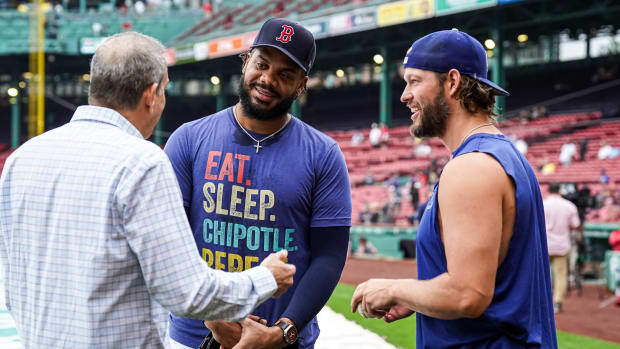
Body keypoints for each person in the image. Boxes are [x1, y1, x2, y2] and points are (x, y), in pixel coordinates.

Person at [0, 32, 296, 348]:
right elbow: (187, 293)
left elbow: (13, 285)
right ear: (151, 94)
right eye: (165, 89)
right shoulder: (142, 162)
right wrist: (265, 278)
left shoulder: (21, 159)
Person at [350, 29, 557, 347]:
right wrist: (420, 298)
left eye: (415, 81)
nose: (404, 95)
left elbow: (467, 295)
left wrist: (393, 289)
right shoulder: (498, 155)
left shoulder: (471, 167)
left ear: (452, 81)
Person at [164, 18, 352, 349]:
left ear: (301, 85)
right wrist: (213, 314)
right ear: (246, 60)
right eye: (262, 64)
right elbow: (168, 242)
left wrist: (282, 332)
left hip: (282, 339)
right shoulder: (188, 139)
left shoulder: (323, 154)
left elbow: (329, 256)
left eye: (285, 74)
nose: (267, 79)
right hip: (193, 336)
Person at [543, 183, 581, 313]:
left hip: (545, 245)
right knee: (560, 275)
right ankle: (558, 303)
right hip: (561, 245)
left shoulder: (543, 204)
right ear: (560, 191)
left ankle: (541, 302)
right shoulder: (569, 206)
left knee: (542, 275)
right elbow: (575, 225)